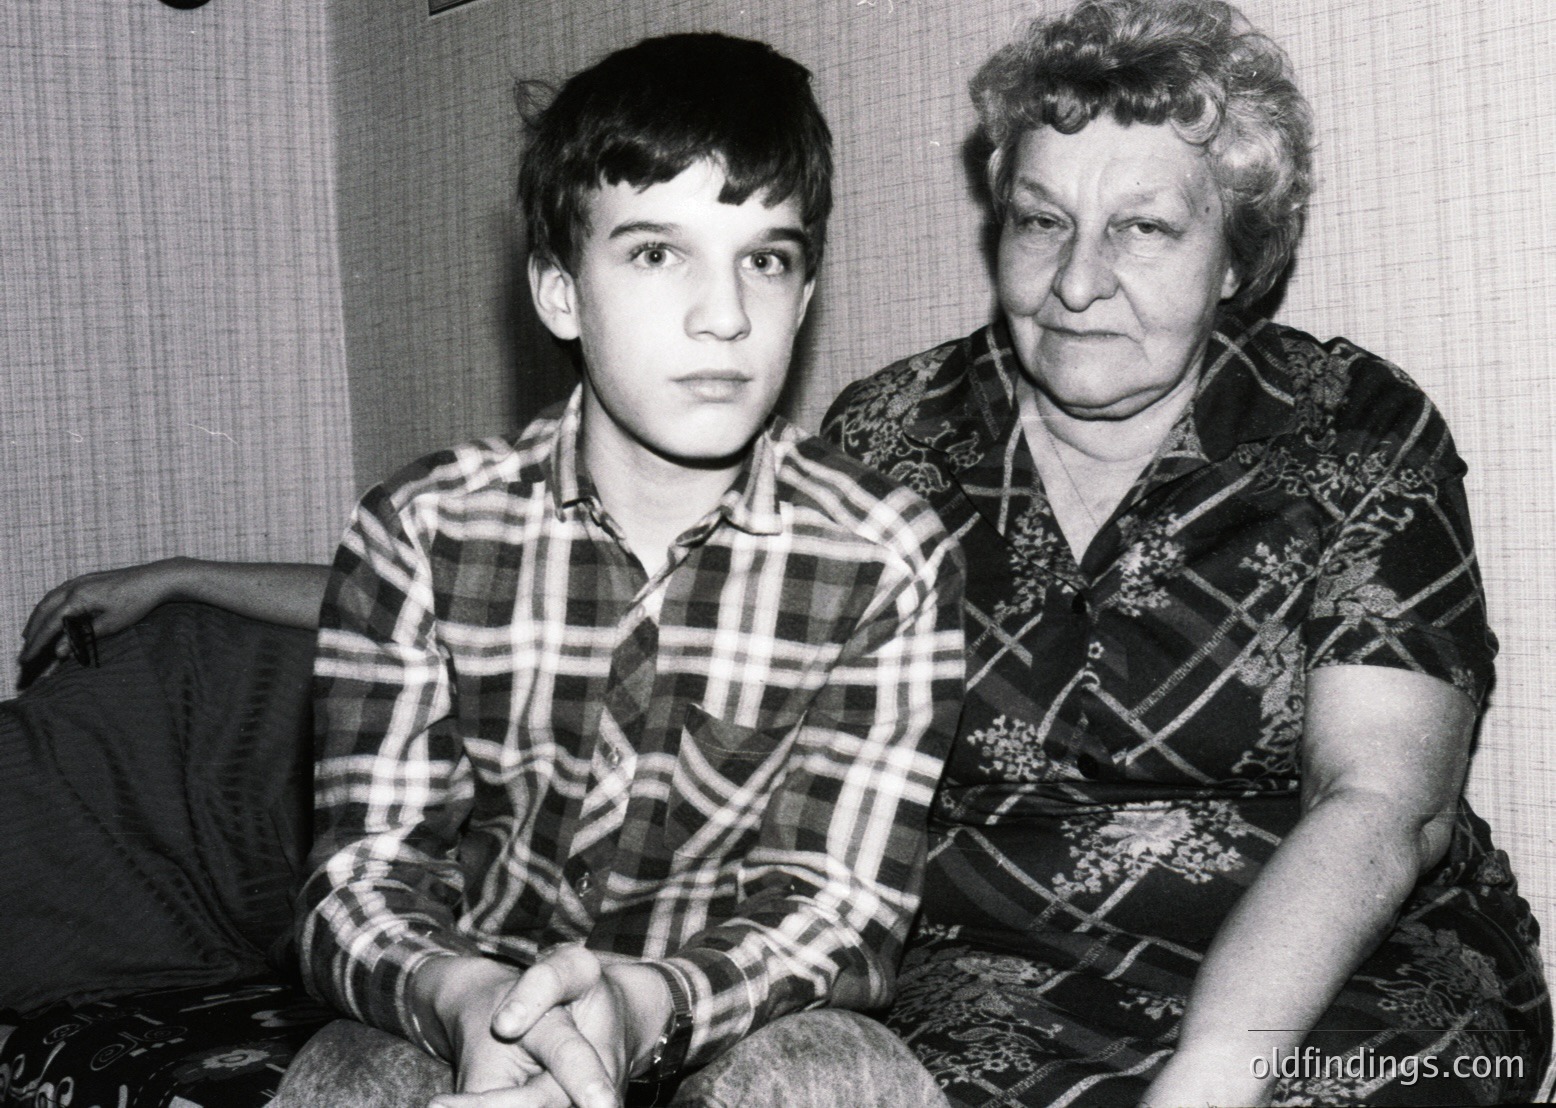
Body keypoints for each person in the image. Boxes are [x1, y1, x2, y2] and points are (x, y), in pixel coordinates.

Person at [821, 1, 1550, 1105]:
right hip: (981, 981)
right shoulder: (885, 442)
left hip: (1340, 975)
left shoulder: (1353, 432)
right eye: (1038, 221)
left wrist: (1208, 1076)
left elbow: (1380, 800)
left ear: (1232, 257)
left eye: (1141, 228)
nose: (1073, 283)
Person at [273, 31, 963, 1108]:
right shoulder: (418, 529)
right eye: (655, 253)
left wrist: (646, 1005)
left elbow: (840, 906)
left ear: (804, 287)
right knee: (348, 1077)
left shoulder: (884, 555)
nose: (724, 314)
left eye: (764, 259)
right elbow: (361, 881)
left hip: (728, 1015)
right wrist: (465, 1001)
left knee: (840, 1073)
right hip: (479, 1009)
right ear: (558, 292)